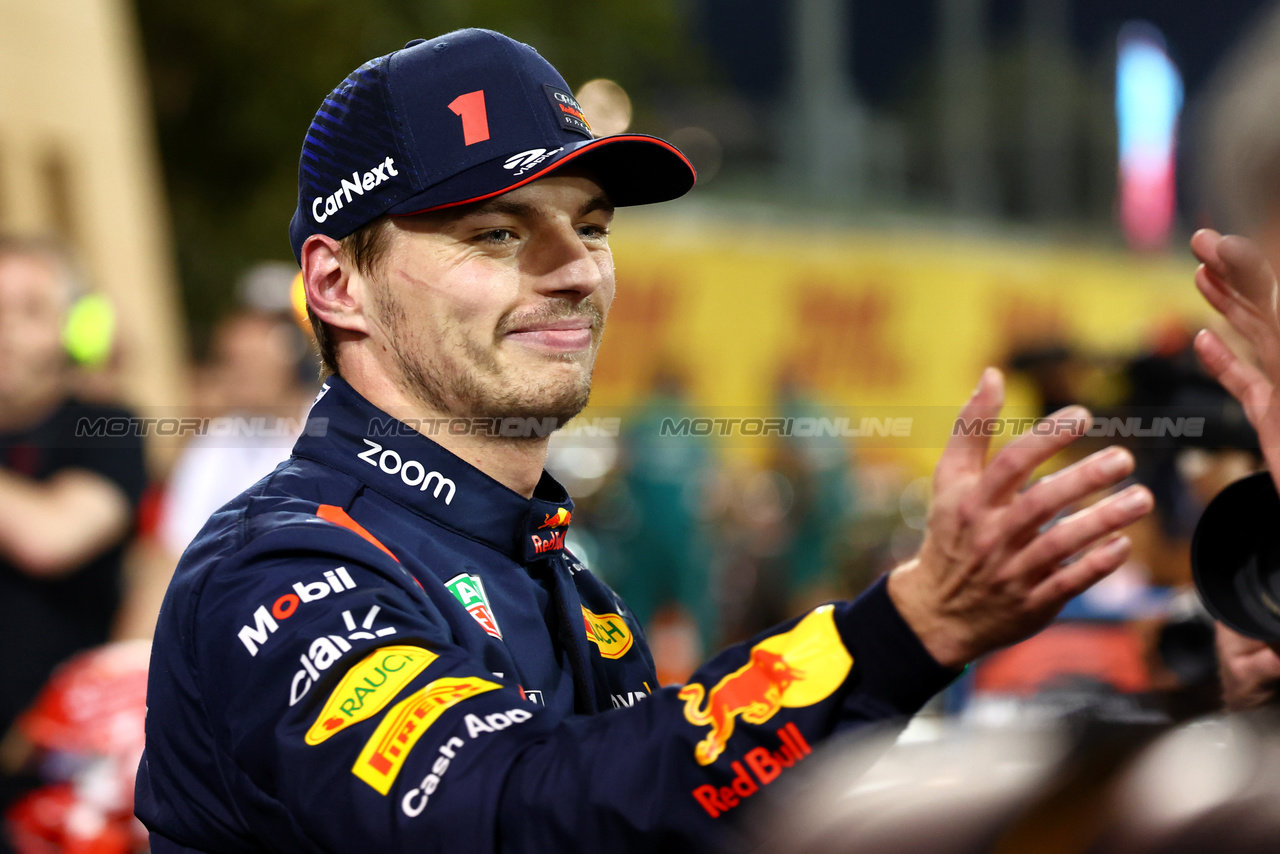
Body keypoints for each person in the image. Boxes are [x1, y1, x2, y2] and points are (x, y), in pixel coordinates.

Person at [135, 29, 1152, 853]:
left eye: (590, 225)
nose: (574, 269)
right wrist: (899, 629)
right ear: (335, 285)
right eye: (494, 232)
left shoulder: (553, 573)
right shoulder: (280, 568)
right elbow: (510, 811)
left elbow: (660, 811)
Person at [0, 236, 148, 847]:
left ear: (73, 328)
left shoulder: (104, 427)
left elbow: (51, 538)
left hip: (57, 790)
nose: (2, 330)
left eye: (27, 311)